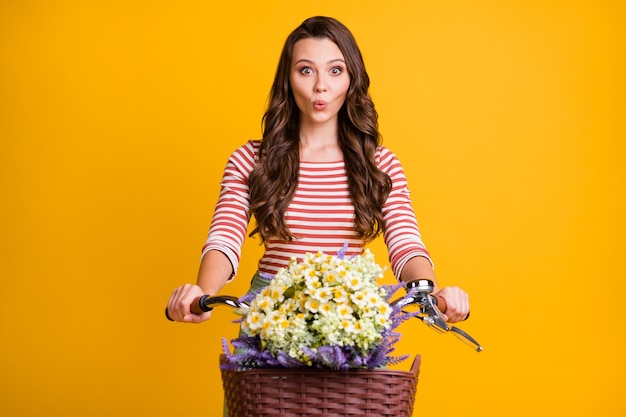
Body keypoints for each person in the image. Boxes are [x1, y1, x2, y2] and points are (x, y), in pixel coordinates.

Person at [166, 16, 470, 326]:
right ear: (289, 79)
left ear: (351, 79)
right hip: (269, 314)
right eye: (306, 70)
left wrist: (429, 293)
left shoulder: (380, 165)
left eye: (335, 70)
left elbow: (405, 244)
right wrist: (201, 294)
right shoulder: (250, 160)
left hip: (350, 316)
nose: (320, 86)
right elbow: (224, 239)